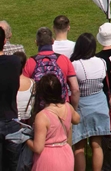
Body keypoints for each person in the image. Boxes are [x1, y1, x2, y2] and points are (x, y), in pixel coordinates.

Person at [70, 33, 110, 171]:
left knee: (79, 147)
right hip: (99, 103)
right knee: (96, 144)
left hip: (82, 105)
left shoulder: (75, 65)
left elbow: (73, 88)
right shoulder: (101, 62)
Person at [27, 74, 81, 171]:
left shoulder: (42, 116)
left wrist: (25, 139)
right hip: (66, 154)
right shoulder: (68, 107)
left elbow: (38, 148)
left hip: (48, 158)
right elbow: (77, 119)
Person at [23, 27, 80, 108]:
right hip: (61, 108)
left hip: (40, 110)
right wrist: (72, 110)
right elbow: (75, 89)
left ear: (36, 43)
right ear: (53, 41)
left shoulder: (30, 62)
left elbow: (25, 89)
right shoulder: (64, 60)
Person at [0, 24, 21, 171]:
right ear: (4, 41)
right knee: (13, 165)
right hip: (11, 119)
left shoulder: (14, 62)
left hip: (9, 118)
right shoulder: (14, 62)